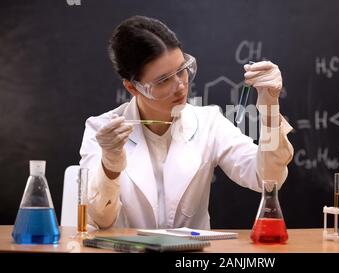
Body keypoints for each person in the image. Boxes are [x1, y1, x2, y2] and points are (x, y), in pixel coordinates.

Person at [79, 15, 294, 230]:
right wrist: (110, 165)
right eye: (163, 80)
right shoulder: (102, 131)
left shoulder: (208, 122)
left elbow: (267, 178)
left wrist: (270, 112)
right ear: (133, 88)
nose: (180, 86)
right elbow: (99, 220)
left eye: (182, 70)